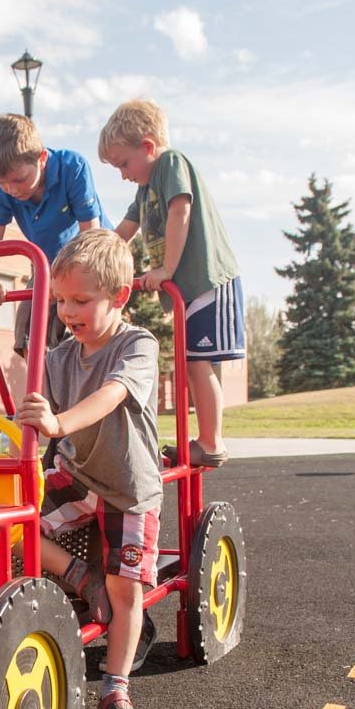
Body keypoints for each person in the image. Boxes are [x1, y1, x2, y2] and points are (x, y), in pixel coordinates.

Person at [16, 229, 161, 709]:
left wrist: (57, 424)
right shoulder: (57, 358)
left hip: (128, 487)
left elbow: (112, 395)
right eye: (59, 300)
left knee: (127, 590)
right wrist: (31, 420)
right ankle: (81, 576)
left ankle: (115, 689)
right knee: (15, 524)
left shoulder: (136, 345)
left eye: (81, 300)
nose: (67, 311)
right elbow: (37, 420)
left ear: (119, 297)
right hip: (79, 474)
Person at [99, 98, 242, 467]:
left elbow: (181, 209)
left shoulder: (170, 164)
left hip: (208, 279)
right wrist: (95, 260)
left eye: (123, 164)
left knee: (199, 363)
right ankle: (206, 440)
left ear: (147, 147)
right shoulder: (144, 191)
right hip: (188, 288)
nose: (123, 173)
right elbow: (123, 234)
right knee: (191, 362)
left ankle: (211, 442)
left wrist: (165, 269)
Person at [0, 113, 110, 358]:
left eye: (19, 179)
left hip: (91, 260)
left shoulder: (72, 167)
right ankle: (41, 391)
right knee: (27, 327)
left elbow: (90, 230)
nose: (12, 189)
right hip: (47, 265)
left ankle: (87, 382)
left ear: (41, 158)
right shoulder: (4, 190)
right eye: (2, 182)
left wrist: (69, 284)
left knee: (81, 324)